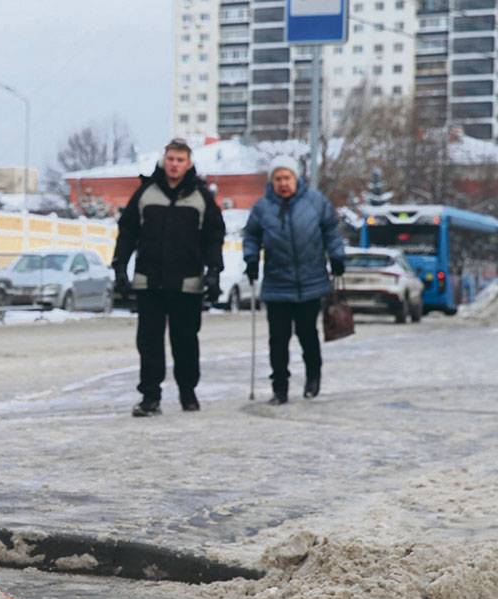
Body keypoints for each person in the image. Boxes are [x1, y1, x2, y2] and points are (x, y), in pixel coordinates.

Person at [112, 139, 225, 416]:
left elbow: (213, 236)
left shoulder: (201, 196)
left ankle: (188, 393)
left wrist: (214, 272)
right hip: (149, 282)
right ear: (164, 160)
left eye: (180, 160)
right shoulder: (146, 192)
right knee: (149, 342)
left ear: (188, 163)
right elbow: (127, 232)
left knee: (185, 341)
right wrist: (120, 266)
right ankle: (150, 397)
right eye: (171, 159)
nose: (174, 165)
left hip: (188, 283)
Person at [242, 155, 345, 405]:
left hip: (310, 282)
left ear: (296, 178)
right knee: (278, 339)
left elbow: (331, 231)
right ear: (272, 181)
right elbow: (252, 236)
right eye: (277, 178)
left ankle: (313, 377)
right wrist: (251, 259)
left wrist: (337, 257)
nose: (283, 183)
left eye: (287, 177)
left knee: (307, 333)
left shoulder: (315, 203)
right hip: (277, 283)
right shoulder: (262, 207)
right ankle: (280, 388)